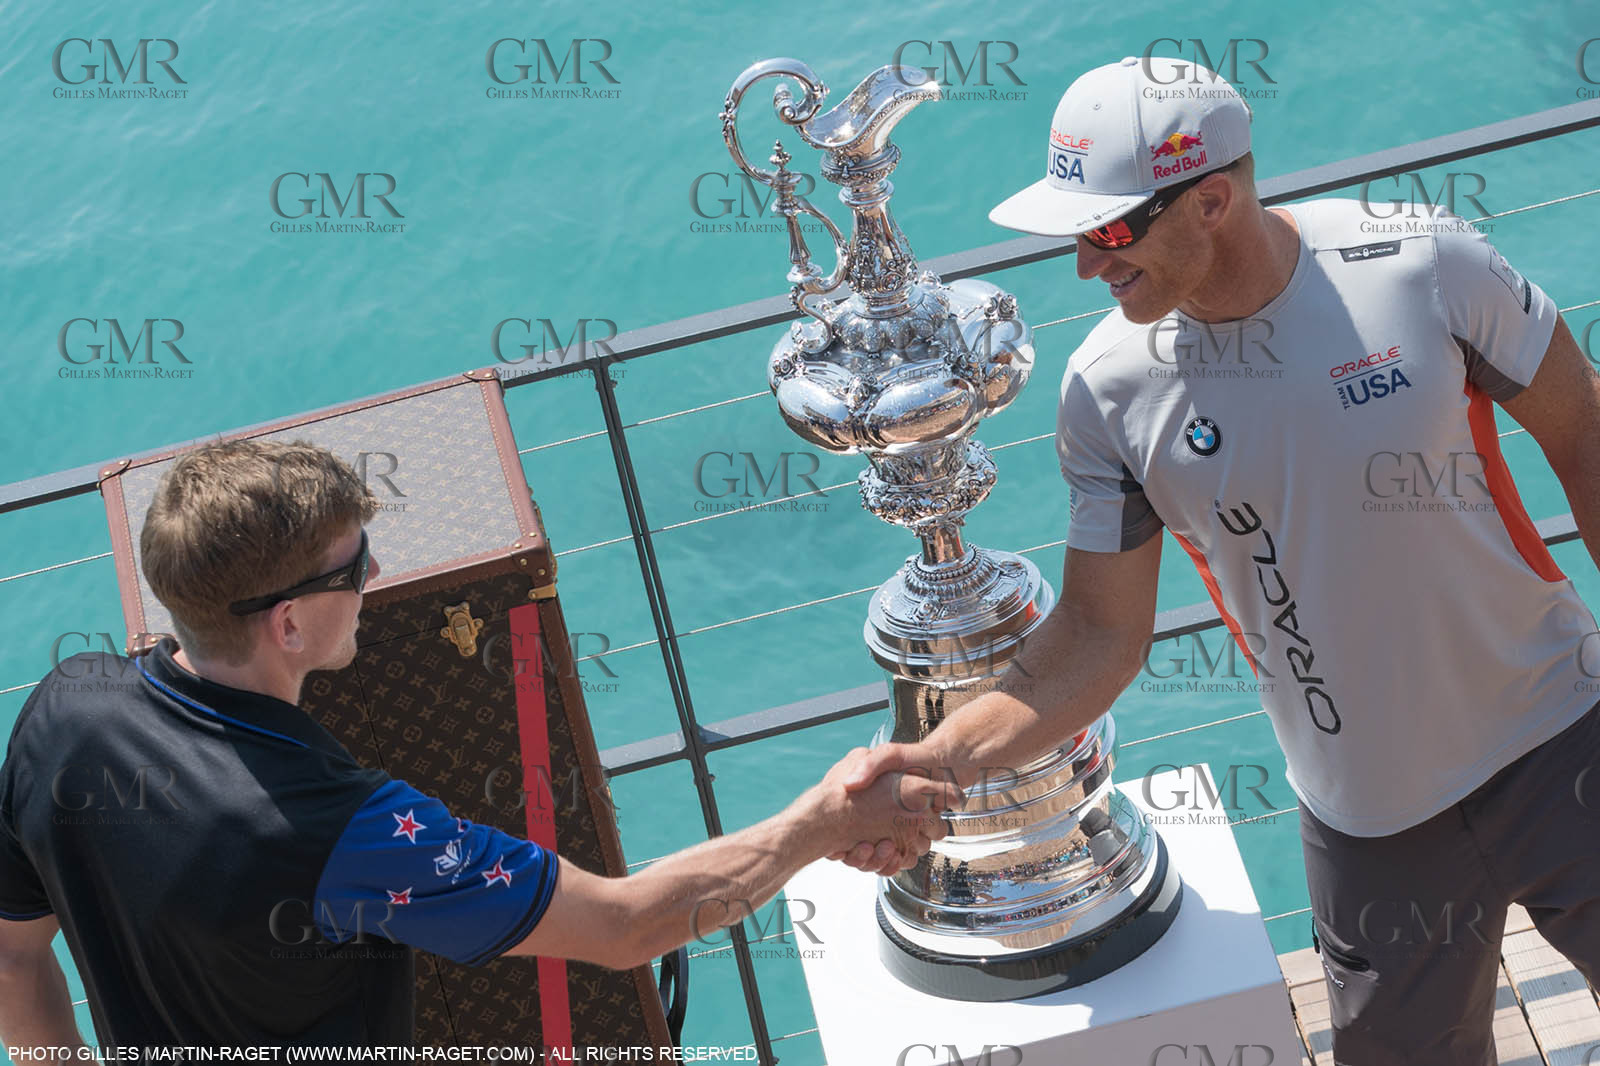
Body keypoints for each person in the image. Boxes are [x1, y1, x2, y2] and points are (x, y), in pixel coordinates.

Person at [832, 56, 1600, 1064]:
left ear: (1209, 200)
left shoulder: (1425, 263)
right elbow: (1099, 636)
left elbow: (1583, 432)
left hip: (1559, 738)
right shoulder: (1105, 391)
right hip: (1370, 820)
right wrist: (934, 760)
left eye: (1107, 231)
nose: (1083, 265)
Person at [0, 439, 959, 1048]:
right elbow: (626, 929)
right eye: (356, 567)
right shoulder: (348, 830)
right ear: (288, 624)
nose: (375, 577)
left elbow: (12, 959)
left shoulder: (63, 708)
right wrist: (823, 818)